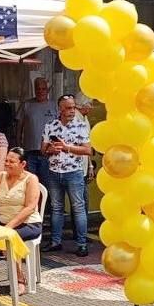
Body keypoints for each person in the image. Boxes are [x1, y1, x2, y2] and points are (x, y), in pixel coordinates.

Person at [0, 147, 42, 295]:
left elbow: (30, 208)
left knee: (7, 238)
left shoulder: (31, 179)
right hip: (4, 221)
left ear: (23, 164)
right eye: (6, 161)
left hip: (28, 223)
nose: (7, 164)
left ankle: (20, 279)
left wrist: (10, 226)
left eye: (12, 161)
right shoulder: (1, 176)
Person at [40, 94, 92, 256]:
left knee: (78, 207)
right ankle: (55, 242)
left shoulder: (80, 126)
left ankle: (82, 244)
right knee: (56, 208)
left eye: (73, 107)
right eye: (68, 108)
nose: (72, 111)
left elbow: (88, 150)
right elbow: (43, 150)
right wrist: (51, 149)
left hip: (73, 173)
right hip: (54, 172)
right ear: (60, 109)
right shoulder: (50, 125)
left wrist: (66, 147)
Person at [16, 77, 57, 190]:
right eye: (38, 89)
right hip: (30, 154)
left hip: (48, 153)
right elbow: (19, 128)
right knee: (30, 185)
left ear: (47, 90)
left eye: (43, 89)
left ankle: (47, 203)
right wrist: (20, 148)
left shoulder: (54, 106)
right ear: (34, 90)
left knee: (48, 186)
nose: (41, 91)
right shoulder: (26, 105)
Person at [75, 95, 96, 233]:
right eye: (90, 104)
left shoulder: (85, 118)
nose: (92, 107)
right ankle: (80, 233)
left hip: (83, 165)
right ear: (83, 105)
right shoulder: (75, 119)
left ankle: (81, 232)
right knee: (80, 201)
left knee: (82, 200)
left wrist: (90, 166)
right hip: (76, 166)